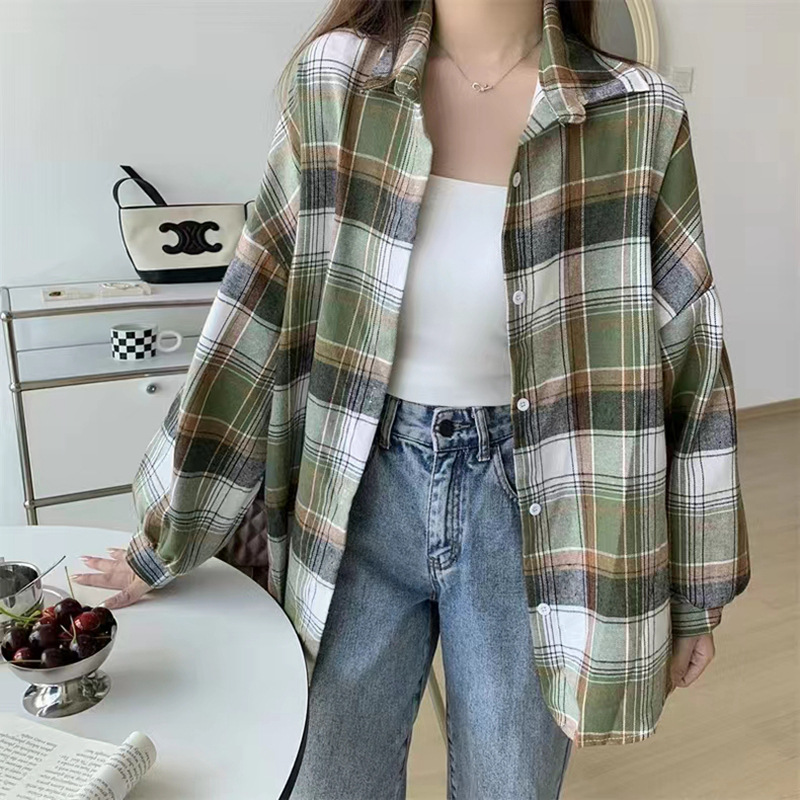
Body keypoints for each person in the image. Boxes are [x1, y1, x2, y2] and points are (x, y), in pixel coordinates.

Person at [73, 0, 751, 796]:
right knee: (327, 782)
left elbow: (689, 358)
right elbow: (255, 309)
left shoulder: (637, 113)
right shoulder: (337, 83)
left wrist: (694, 593)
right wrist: (168, 535)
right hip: (353, 490)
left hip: (541, 505)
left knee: (511, 785)